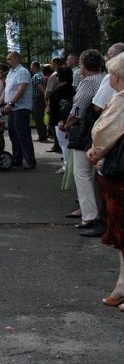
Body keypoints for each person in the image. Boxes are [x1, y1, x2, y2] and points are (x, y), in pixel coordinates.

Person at [85, 53, 124, 310]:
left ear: (117, 76)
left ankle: (122, 286)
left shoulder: (121, 100)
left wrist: (95, 152)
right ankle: (122, 285)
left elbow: (103, 132)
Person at [60, 49, 105, 236]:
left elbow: (79, 107)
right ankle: (97, 212)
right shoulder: (105, 78)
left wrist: (67, 123)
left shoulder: (88, 82)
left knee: (82, 172)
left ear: (84, 66)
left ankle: (89, 215)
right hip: (102, 130)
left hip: (85, 133)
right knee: (97, 173)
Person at [3, 52, 36, 169]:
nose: (8, 61)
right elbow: (6, 89)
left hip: (20, 107)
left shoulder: (22, 71)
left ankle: (30, 160)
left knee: (23, 134)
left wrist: (11, 103)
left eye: (9, 59)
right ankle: (17, 158)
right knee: (13, 134)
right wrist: (1, 102)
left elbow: (21, 89)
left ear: (16, 58)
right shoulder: (11, 73)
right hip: (12, 108)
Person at [48, 67, 75, 178]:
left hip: (60, 119)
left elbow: (53, 104)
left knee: (64, 144)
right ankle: (68, 164)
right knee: (66, 143)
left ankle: (66, 165)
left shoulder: (60, 90)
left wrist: (49, 108)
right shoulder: (72, 89)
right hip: (66, 118)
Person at [30, 61, 48, 142]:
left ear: (34, 67)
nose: (30, 68)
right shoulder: (41, 75)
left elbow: (40, 88)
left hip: (37, 98)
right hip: (40, 98)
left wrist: (45, 97)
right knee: (40, 117)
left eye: (31, 66)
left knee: (38, 117)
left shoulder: (36, 76)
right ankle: (43, 133)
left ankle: (42, 135)